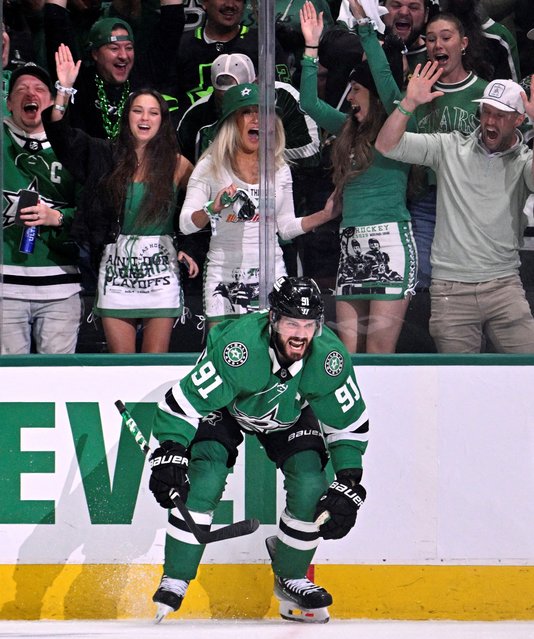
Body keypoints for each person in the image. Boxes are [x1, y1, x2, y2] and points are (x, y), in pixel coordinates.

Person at [148, 275, 369, 623]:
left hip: (289, 413)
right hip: (225, 409)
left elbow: (347, 424)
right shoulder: (240, 348)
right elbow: (185, 403)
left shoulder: (329, 359)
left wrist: (350, 480)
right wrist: (171, 449)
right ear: (274, 319)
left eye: (309, 325)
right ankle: (175, 577)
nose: (300, 333)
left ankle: (291, 575)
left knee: (312, 483)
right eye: (292, 323)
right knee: (205, 476)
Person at [42, 44, 199, 354]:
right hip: (116, 277)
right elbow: (61, 137)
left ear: (162, 120)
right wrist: (63, 91)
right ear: (127, 117)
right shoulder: (104, 155)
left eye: (153, 112)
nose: (145, 117)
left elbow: (199, 212)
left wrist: (191, 249)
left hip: (161, 276)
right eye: (137, 110)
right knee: (121, 369)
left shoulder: (178, 164)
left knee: (154, 369)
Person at [375, 64, 534, 352]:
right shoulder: (449, 147)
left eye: (500, 115)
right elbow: (387, 145)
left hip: (504, 286)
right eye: (486, 111)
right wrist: (408, 103)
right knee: (457, 388)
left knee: (528, 375)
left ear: (520, 119)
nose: (490, 120)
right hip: (451, 289)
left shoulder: (524, 161)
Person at [298, 0, 417, 353]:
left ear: (376, 96)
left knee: (380, 353)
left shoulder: (396, 124)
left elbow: (382, 74)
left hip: (390, 246)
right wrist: (310, 47)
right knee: (347, 355)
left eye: (356, 90)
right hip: (351, 249)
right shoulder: (347, 129)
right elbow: (309, 103)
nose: (350, 98)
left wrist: (364, 25)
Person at [179, 81, 337, 328]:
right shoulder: (210, 166)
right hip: (223, 275)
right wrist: (212, 208)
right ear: (232, 121)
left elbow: (284, 227)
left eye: (263, 112)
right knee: (223, 354)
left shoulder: (280, 168)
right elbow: (186, 223)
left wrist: (325, 215)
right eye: (247, 112)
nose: (256, 119)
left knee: (266, 353)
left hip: (270, 274)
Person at [2, 62, 82, 354]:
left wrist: (56, 217)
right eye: (21, 89)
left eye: (39, 89)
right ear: (9, 103)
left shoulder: (74, 146)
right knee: (8, 386)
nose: (30, 93)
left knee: (59, 382)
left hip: (61, 289)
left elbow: (92, 213)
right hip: (4, 290)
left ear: (51, 100)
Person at [43, 0, 186, 138]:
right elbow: (55, 26)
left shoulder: (144, 76)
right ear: (95, 54)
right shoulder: (79, 82)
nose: (123, 55)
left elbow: (172, 25)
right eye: (114, 48)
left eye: (129, 48)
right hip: (91, 160)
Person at [169, 0, 291, 121]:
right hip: (190, 132)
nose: (230, 5)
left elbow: (284, 95)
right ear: (203, 2)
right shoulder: (180, 45)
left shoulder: (264, 43)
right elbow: (166, 94)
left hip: (248, 131)